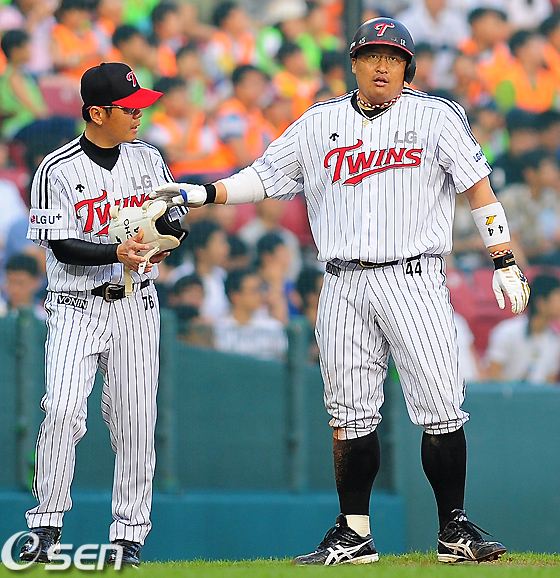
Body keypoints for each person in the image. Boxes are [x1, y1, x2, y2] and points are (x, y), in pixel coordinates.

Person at [151, 17, 530, 565]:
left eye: (393, 57)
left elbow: (479, 189)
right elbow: (264, 177)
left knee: (442, 408)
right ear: (354, 63)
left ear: (407, 67)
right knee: (349, 414)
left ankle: (454, 529)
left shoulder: (436, 115)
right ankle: (354, 534)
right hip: (342, 281)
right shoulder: (319, 122)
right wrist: (202, 193)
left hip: (413, 276)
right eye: (372, 55)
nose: (382, 66)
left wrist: (503, 258)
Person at [19, 61, 185, 567]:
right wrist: (118, 251)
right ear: (96, 113)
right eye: (128, 108)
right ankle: (45, 527)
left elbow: (176, 218)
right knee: (62, 410)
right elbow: (61, 246)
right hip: (76, 305)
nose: (138, 115)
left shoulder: (148, 158)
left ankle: (129, 536)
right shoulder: (56, 168)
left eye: (139, 106)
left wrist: (163, 239)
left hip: (136, 303)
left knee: (135, 421)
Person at [485, 273, 560, 383]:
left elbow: (549, 382)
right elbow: (492, 374)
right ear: (541, 303)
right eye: (558, 297)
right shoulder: (507, 332)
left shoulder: (555, 340)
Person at [213, 267, 288, 361]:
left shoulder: (273, 327)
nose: (259, 295)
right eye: (253, 290)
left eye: (260, 289)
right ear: (235, 296)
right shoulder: (219, 328)